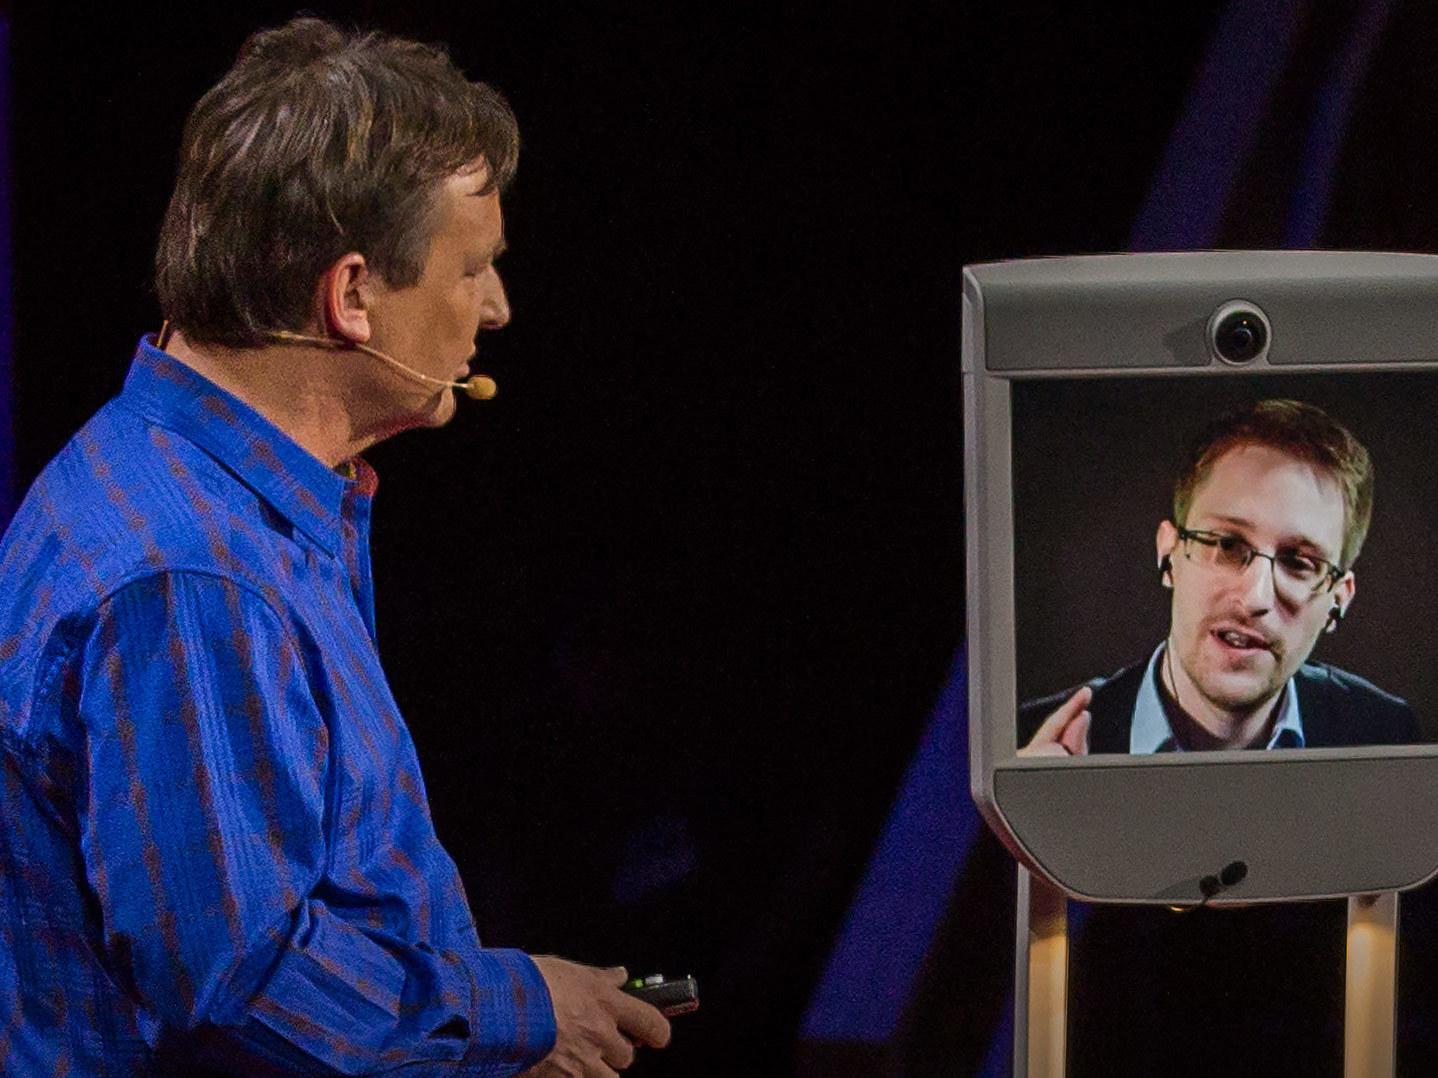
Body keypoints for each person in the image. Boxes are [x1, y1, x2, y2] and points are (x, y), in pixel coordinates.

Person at [0, 17, 670, 1077]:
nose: (494, 307)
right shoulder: (191, 574)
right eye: (472, 269)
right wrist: (517, 1009)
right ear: (352, 294)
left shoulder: (202, 487)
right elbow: (236, 984)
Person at [1020, 397, 1418, 756]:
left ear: (1338, 599)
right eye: (1227, 544)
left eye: (1299, 562)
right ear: (1168, 554)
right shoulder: (1029, 745)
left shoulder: (1390, 737)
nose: (1255, 597)